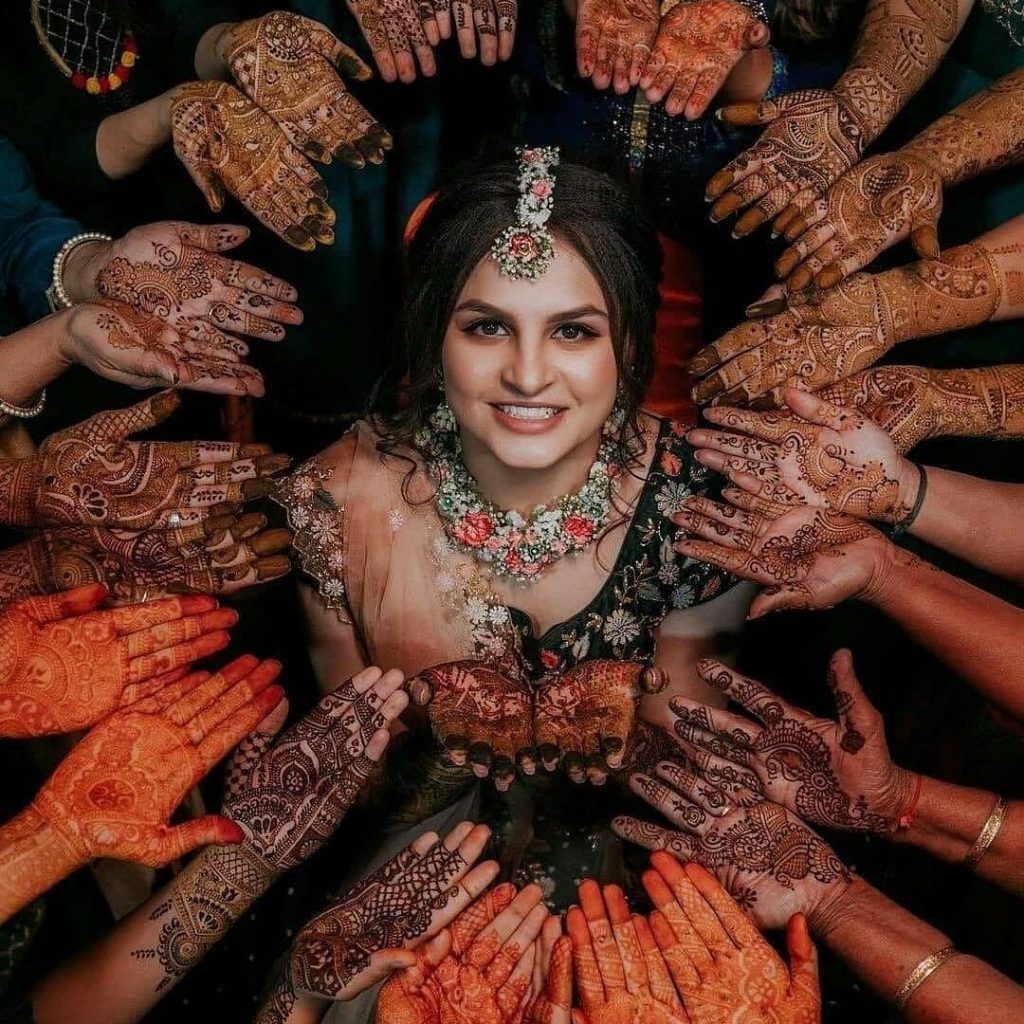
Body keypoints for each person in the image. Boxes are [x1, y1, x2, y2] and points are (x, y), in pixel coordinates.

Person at [273, 151, 750, 919]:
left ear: (630, 346)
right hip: (414, 889)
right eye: (488, 327)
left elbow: (697, 783)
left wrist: (624, 741)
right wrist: (418, 739)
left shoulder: (698, 507)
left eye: (573, 332)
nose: (528, 376)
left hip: (628, 893)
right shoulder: (333, 504)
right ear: (434, 335)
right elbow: (355, 788)